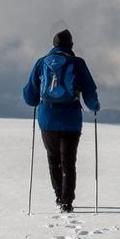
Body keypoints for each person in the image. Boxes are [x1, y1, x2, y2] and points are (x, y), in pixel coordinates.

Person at [23, 29, 100, 213]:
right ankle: (67, 201)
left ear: (54, 45)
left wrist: (36, 102)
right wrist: (94, 106)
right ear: (71, 45)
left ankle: (59, 196)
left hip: (47, 119)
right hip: (71, 121)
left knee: (53, 159)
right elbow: (89, 91)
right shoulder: (78, 63)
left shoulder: (42, 63)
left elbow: (29, 95)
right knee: (68, 162)